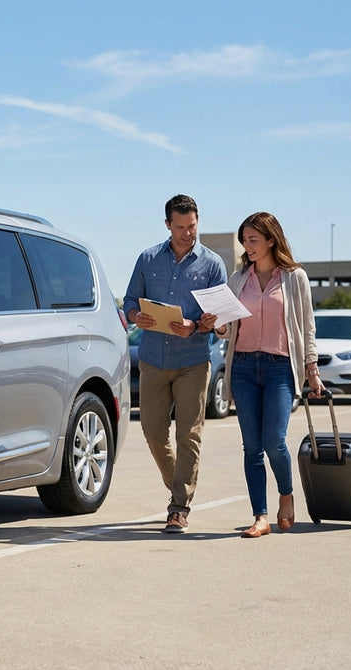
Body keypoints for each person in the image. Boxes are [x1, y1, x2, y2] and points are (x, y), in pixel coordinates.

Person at [203, 212, 325, 538]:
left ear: (271, 239)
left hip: (279, 368)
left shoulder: (294, 277)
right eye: (244, 240)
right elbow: (227, 331)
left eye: (253, 240)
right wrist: (217, 322)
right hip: (242, 367)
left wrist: (311, 371)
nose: (247, 246)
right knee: (251, 447)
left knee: (274, 441)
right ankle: (260, 516)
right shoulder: (237, 278)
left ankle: (286, 493)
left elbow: (307, 327)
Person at [124, 194, 228, 533]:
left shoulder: (212, 264)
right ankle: (177, 484)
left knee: (189, 435)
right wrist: (135, 315)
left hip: (193, 361)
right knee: (153, 431)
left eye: (192, 227)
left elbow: (220, 316)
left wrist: (197, 325)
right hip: (153, 358)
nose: (187, 234)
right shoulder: (148, 258)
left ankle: (179, 506)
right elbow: (129, 301)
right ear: (168, 224)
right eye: (180, 227)